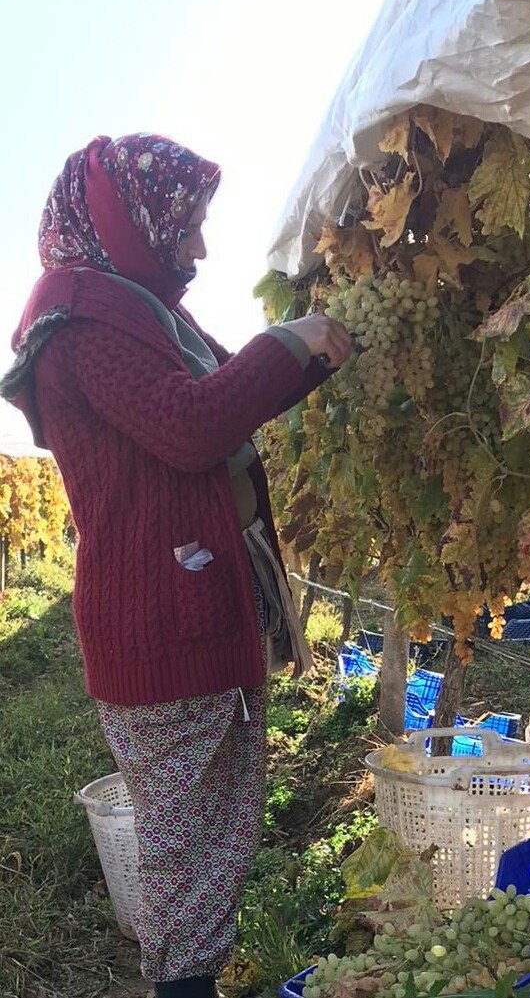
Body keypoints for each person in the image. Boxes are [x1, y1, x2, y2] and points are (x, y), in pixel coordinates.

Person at [1, 134, 352, 998]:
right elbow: (194, 425)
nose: (199, 250)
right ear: (132, 226)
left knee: (212, 840)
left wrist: (306, 356)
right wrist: (291, 341)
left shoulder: (135, 311)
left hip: (186, 611)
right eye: (184, 229)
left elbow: (223, 396)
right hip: (157, 624)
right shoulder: (84, 326)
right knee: (185, 851)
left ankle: (189, 978)